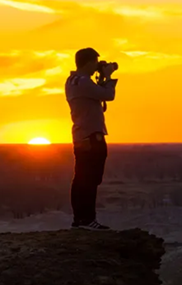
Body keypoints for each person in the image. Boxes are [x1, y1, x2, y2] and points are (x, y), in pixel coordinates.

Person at [65, 47, 118, 230]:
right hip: (91, 135)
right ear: (88, 62)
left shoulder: (73, 81)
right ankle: (87, 220)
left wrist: (100, 79)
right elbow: (108, 95)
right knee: (90, 178)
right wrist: (109, 78)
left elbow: (96, 95)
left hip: (81, 134)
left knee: (81, 178)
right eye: (96, 62)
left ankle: (80, 219)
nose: (98, 66)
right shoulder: (83, 82)